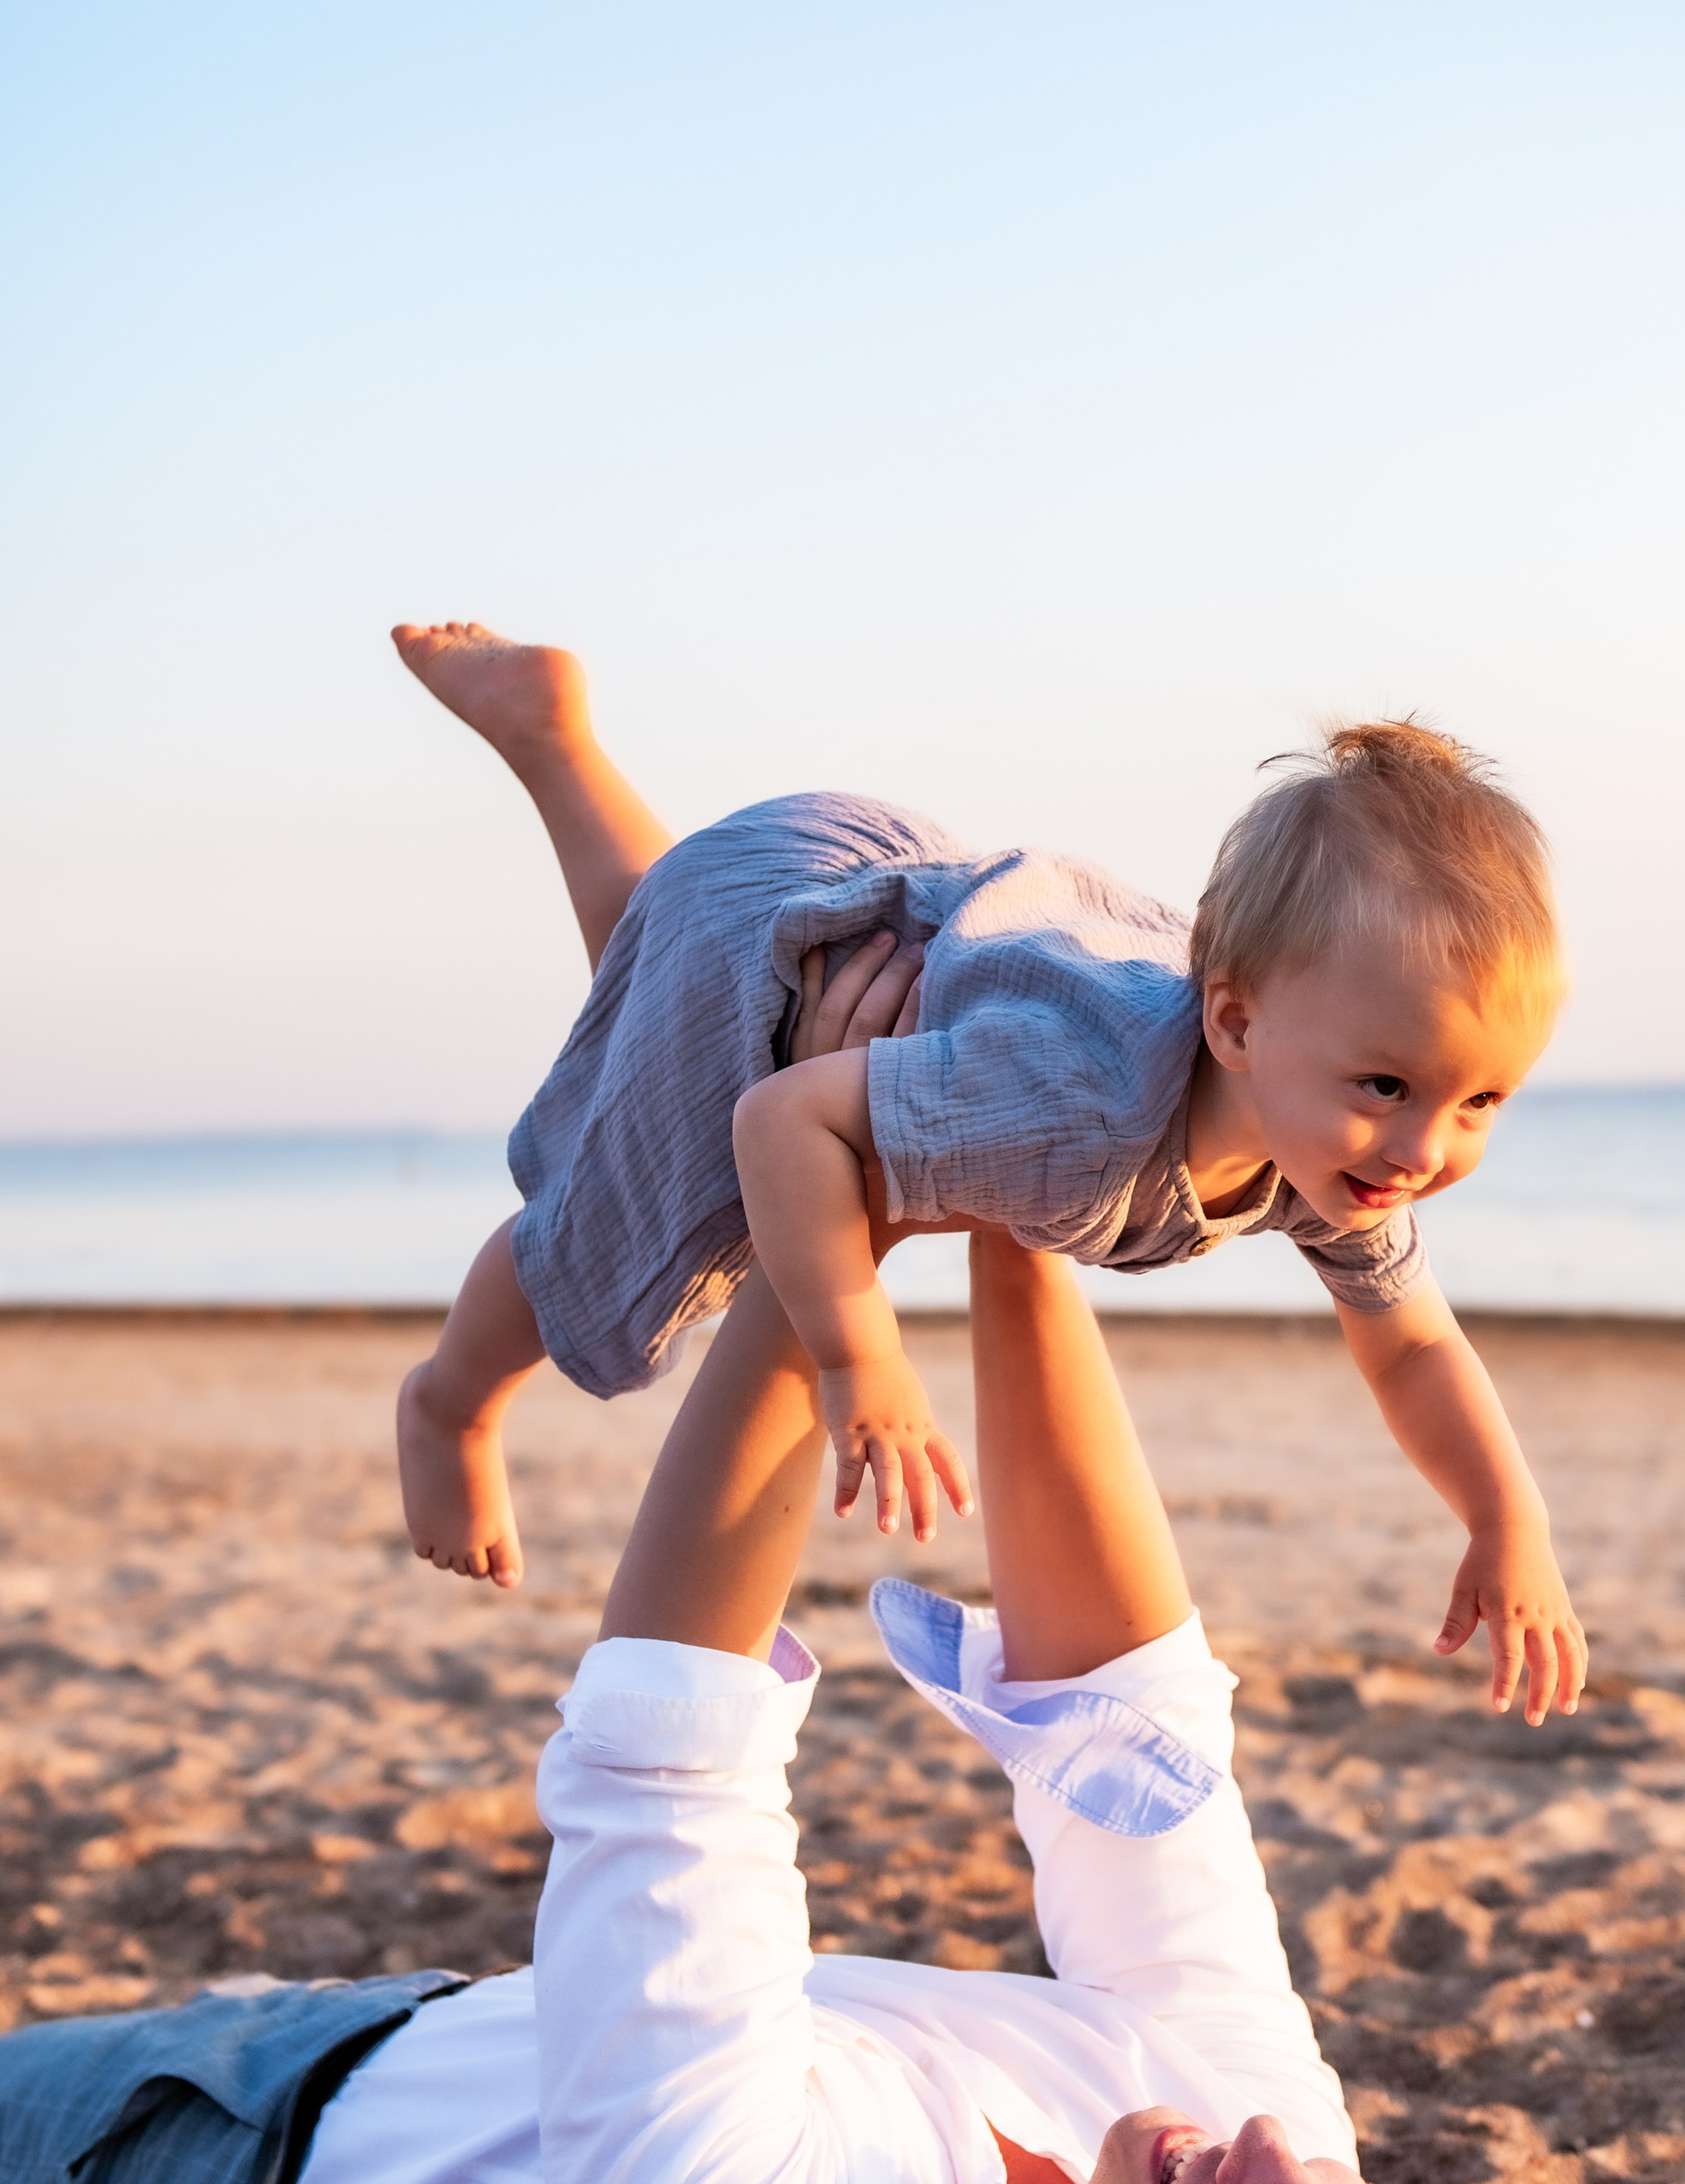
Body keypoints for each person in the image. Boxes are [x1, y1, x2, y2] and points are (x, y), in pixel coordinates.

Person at [0, 975, 1559, 2184]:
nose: (1271, 2150)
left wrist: (842, 1178)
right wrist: (1020, 1161)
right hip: (436, 2043)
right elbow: (1124, 1734)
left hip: (188, 2183)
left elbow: (671, 1745)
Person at [389, 621, 1585, 1729]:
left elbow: (1414, 1347)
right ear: (1233, 1023)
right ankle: (450, 1404)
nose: (1426, 1152)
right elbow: (782, 1117)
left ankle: (551, 736)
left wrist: (1508, 1520)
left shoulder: (1327, 1135)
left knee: (656, 960)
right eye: (1387, 1087)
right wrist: (860, 1356)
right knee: (625, 1220)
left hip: (866, 891)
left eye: (1481, 1102)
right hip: (828, 935)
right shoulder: (1079, 1099)